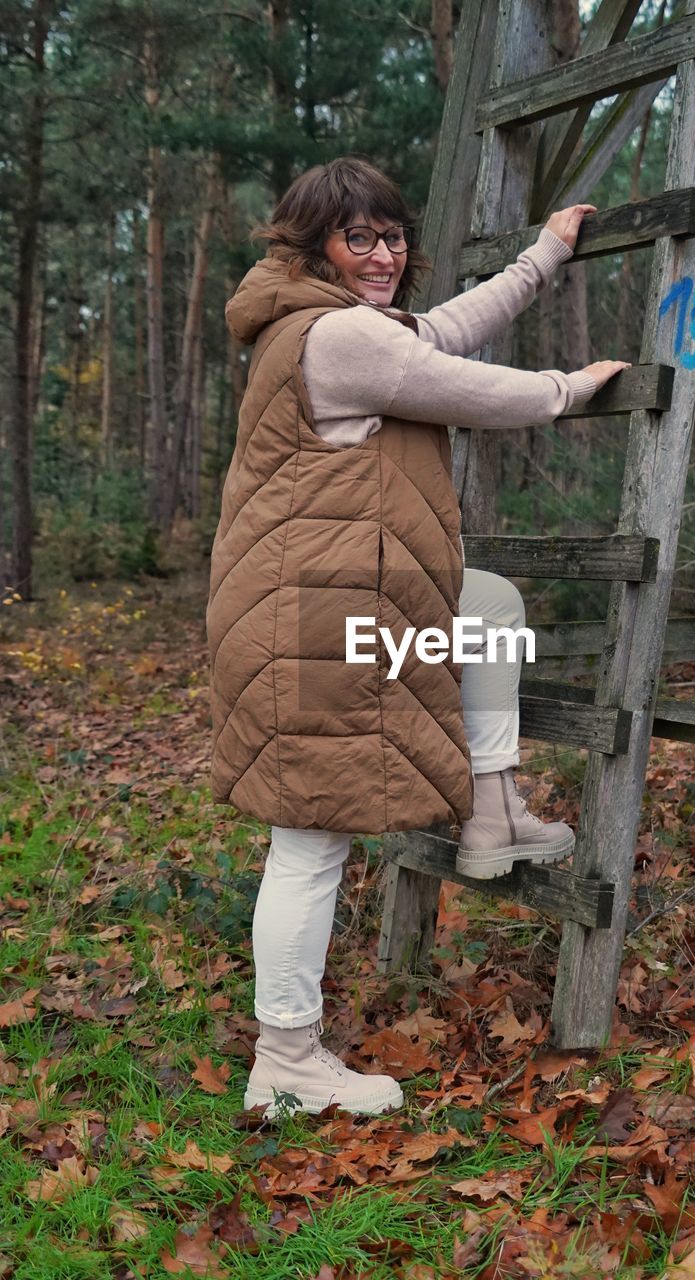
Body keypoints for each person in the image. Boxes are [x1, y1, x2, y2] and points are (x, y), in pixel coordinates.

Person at [207, 157, 630, 1122]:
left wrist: (544, 256)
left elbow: (447, 326)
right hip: (314, 618)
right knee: (309, 841)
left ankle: (490, 807)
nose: (384, 253)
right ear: (312, 246)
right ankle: (285, 1059)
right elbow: (465, 384)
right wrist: (566, 389)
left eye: (393, 236)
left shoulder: (325, 327)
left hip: (310, 607)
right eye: (360, 238)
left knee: (484, 608)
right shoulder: (338, 336)